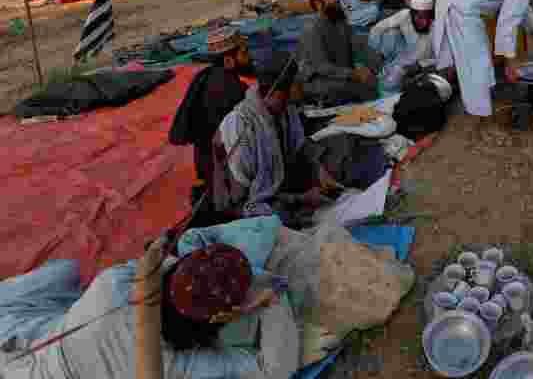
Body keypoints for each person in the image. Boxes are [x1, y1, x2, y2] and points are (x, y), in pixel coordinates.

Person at [0, 235, 299, 379]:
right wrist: (272, 299)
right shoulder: (172, 365)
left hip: (32, 342)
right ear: (218, 318)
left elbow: (161, 267)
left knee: (64, 272)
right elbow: (272, 369)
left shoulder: (114, 282)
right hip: (27, 354)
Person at [211, 52, 332, 225]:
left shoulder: (286, 109)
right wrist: (300, 199)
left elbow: (301, 146)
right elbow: (243, 201)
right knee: (286, 220)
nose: (302, 86)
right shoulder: (240, 126)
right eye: (297, 82)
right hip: (244, 208)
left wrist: (320, 170)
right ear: (282, 88)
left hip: (278, 191)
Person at [169, 27, 251, 207]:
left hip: (206, 167)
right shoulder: (233, 90)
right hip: (223, 175)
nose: (249, 56)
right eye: (244, 52)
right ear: (229, 60)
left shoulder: (205, 77)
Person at [296, 0, 379, 107]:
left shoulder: (340, 21)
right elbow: (321, 67)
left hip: (341, 74)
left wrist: (366, 65)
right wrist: (353, 74)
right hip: (318, 81)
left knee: (374, 77)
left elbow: (357, 48)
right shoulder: (312, 29)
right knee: (356, 87)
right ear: (318, 4)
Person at [370, 0, 436, 91]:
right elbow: (378, 28)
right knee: (391, 33)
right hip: (405, 53)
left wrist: (421, 65)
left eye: (427, 17)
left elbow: (442, 58)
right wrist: (376, 51)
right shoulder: (405, 15)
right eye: (420, 17)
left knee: (390, 85)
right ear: (411, 14)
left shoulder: (437, 26)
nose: (425, 22)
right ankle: (387, 64)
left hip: (422, 64)